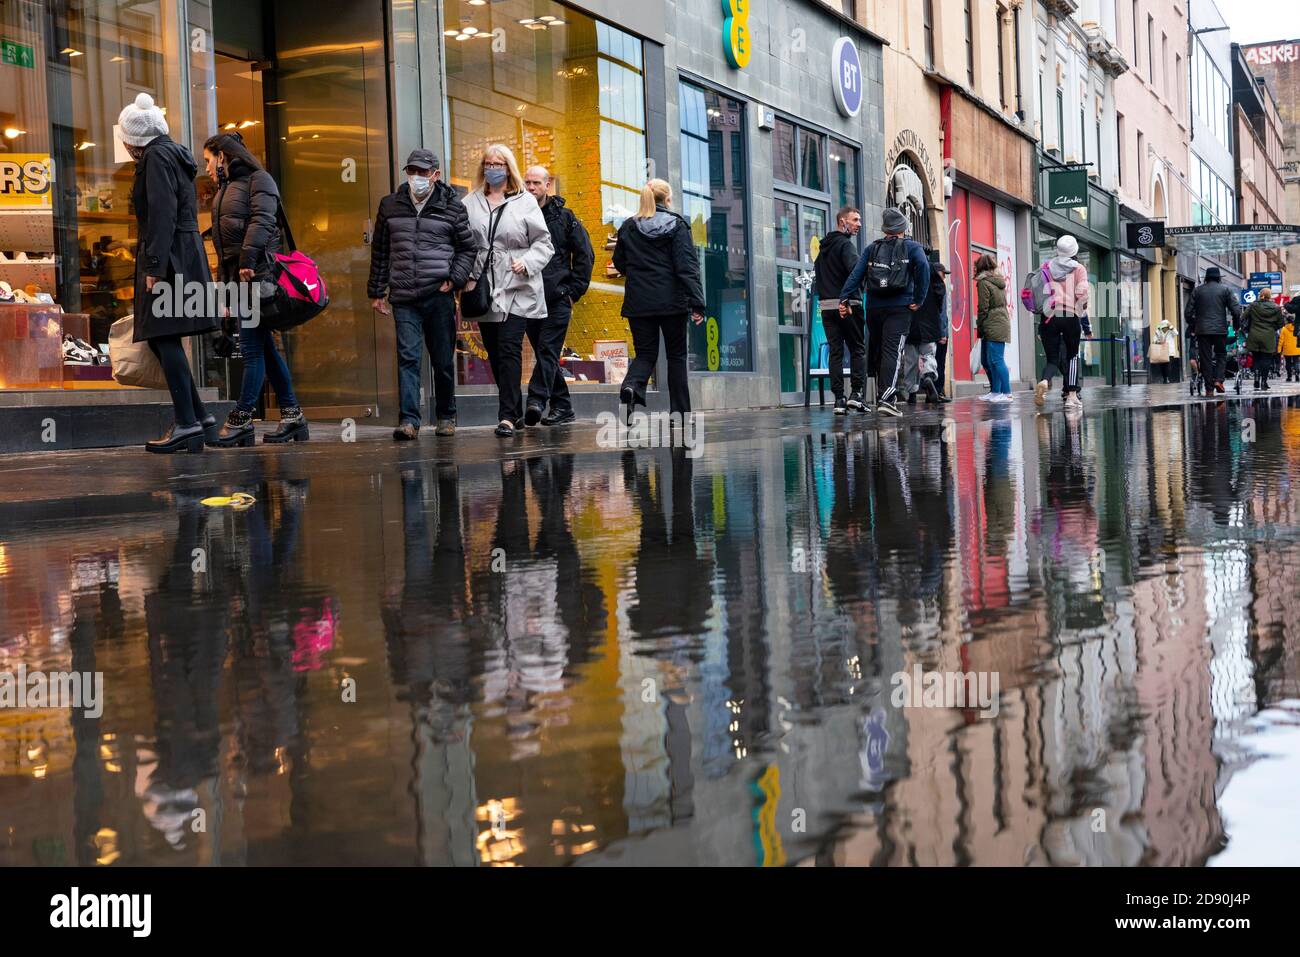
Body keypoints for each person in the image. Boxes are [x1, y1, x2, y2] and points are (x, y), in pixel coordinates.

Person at [117, 92, 219, 453]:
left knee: (163, 336)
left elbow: (161, 213)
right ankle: (200, 418)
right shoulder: (171, 153)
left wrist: (155, 266)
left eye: (126, 138)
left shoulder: (157, 157)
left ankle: (188, 423)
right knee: (166, 337)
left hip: (169, 258)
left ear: (135, 138)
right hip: (181, 255)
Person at [203, 132, 307, 447]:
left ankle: (241, 418)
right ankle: (293, 418)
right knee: (264, 349)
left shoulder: (259, 180)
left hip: (258, 276)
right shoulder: (224, 191)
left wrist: (248, 260)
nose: (206, 168)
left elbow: (262, 221)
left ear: (222, 156)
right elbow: (223, 252)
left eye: (208, 160)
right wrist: (223, 295)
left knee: (251, 349)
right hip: (241, 278)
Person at [369, 148, 476, 440]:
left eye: (423, 172)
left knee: (442, 359)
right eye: (412, 171)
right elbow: (380, 251)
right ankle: (409, 420)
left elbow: (468, 248)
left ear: (435, 175)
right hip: (404, 296)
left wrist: (454, 279)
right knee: (408, 357)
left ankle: (446, 416)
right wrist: (376, 291)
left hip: (438, 294)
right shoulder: (390, 205)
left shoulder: (452, 207)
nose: (417, 177)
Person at [463, 144, 554, 437]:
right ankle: (513, 412)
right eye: (489, 163)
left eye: (499, 164)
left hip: (517, 285)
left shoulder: (524, 201)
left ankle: (505, 416)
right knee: (494, 352)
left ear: (509, 168)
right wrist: (466, 275)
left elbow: (544, 244)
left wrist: (526, 263)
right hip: (485, 287)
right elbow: (464, 244)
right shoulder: (470, 202)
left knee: (509, 348)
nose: (493, 168)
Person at [611, 179, 706, 418]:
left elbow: (620, 263)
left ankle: (631, 386)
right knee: (676, 356)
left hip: (639, 303)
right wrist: (697, 303)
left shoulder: (628, 227)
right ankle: (680, 414)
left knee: (645, 353)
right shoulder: (677, 225)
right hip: (672, 303)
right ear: (668, 199)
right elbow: (687, 267)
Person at [838, 207, 931, 417]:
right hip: (900, 307)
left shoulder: (873, 248)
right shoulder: (912, 247)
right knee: (892, 351)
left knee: (878, 350)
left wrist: (844, 297)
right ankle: (887, 398)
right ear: (902, 229)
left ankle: (868, 394)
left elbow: (856, 274)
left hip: (874, 307)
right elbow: (924, 269)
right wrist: (919, 299)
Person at [523, 165, 594, 426]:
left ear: (547, 184)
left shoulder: (565, 217)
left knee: (546, 350)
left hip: (558, 297)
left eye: (536, 183)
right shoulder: (520, 216)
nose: (531, 188)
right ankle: (563, 407)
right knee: (546, 354)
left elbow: (585, 255)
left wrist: (573, 291)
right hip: (529, 297)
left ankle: (535, 401)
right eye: (527, 183)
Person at [813, 206, 866, 413]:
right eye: (854, 220)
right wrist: (853, 295)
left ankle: (838, 400)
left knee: (835, 352)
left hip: (827, 307)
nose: (859, 224)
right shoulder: (846, 246)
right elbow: (856, 272)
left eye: (859, 220)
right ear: (842, 222)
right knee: (857, 349)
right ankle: (856, 394)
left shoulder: (822, 249)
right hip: (849, 305)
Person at [1032, 234, 1091, 411]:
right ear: (1074, 251)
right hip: (1070, 314)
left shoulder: (1047, 266)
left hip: (1049, 316)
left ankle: (1044, 380)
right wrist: (1083, 306)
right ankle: (1072, 396)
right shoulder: (1079, 268)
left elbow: (1039, 291)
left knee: (1052, 359)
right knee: (1072, 356)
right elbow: (1082, 293)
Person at [1184, 265, 1240, 395]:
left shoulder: (1197, 291)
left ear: (1206, 278)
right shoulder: (1225, 290)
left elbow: (1188, 313)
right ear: (1218, 278)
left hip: (1202, 330)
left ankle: (1209, 388)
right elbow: (1236, 311)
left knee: (1205, 358)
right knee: (1221, 354)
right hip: (1220, 330)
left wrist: (1194, 324)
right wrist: (1236, 325)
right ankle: (1218, 380)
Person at [905, 257, 951, 405]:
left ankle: (911, 393)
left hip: (910, 324)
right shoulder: (933, 277)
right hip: (929, 325)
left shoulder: (908, 274)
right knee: (928, 354)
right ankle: (928, 376)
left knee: (911, 360)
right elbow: (941, 302)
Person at [974, 254, 1013, 402]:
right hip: (998, 322)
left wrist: (980, 326)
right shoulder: (998, 281)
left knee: (996, 360)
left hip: (993, 324)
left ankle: (1007, 393)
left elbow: (983, 307)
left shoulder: (984, 282)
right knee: (988, 361)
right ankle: (996, 392)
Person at [1242, 288, 1286, 391]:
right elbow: (1281, 323)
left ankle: (1256, 377)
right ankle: (1264, 382)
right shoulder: (1276, 308)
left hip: (1254, 335)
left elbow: (1243, 317)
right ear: (1270, 296)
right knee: (1266, 359)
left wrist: (1249, 327)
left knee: (1256, 358)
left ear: (1260, 295)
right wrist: (1272, 328)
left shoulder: (1253, 305)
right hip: (1269, 336)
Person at [1280, 306, 1300, 382]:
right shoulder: (1298, 327)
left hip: (1287, 349)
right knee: (1296, 362)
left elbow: (1281, 340)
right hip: (1297, 348)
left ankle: (1289, 376)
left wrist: (1279, 350)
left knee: (1288, 363)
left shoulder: (1284, 329)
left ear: (1287, 321)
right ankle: (1297, 374)